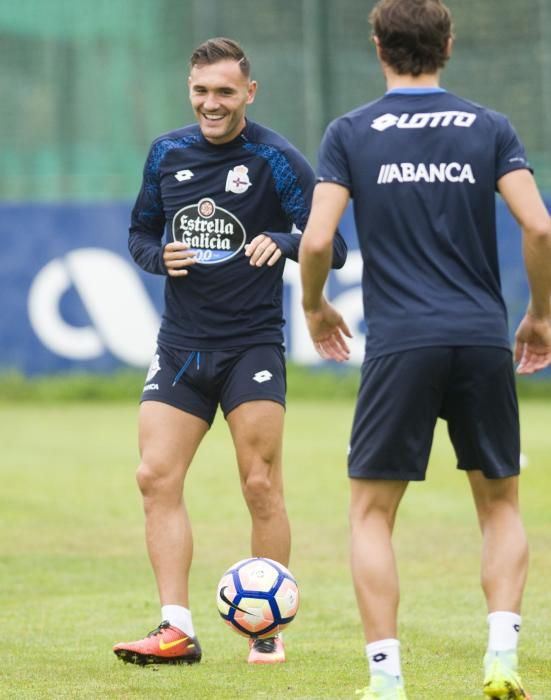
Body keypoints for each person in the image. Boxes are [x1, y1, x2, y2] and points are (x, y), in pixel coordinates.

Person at [299, 0, 551, 698]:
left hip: (401, 342)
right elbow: (538, 227)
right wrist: (539, 315)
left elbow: (316, 241)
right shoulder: (488, 126)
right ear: (448, 42)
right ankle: (500, 656)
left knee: (370, 513)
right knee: (499, 504)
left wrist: (314, 304)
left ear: (377, 44)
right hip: (476, 336)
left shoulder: (350, 132)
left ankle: (386, 680)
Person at [112, 37, 347, 666]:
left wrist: (284, 239)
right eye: (200, 91)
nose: (210, 103)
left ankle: (265, 628)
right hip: (181, 347)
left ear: (249, 92)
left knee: (260, 483)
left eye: (223, 91)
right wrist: (156, 255)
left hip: (251, 347)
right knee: (153, 476)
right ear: (189, 90)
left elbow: (333, 244)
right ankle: (175, 629)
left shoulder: (275, 159)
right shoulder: (167, 152)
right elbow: (139, 231)